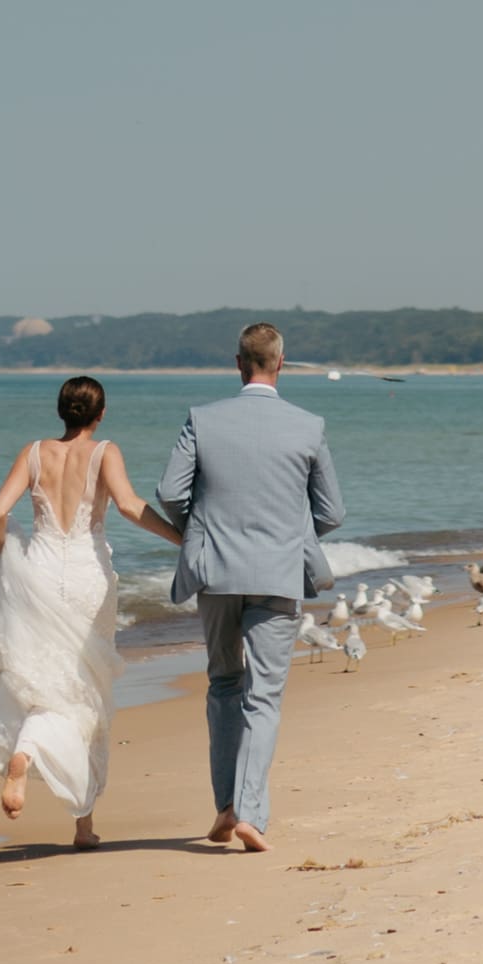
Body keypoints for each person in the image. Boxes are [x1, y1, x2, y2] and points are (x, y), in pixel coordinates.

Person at [0, 376, 181, 849]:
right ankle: (81, 819)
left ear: (61, 412)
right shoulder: (105, 453)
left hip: (37, 571)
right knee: (85, 687)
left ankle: (30, 753)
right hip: (86, 576)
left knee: (43, 680)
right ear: (100, 415)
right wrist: (182, 538)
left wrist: (4, 550)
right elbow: (127, 505)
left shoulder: (35, 452)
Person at [157, 323, 343, 853]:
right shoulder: (308, 426)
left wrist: (198, 527)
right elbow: (332, 511)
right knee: (264, 697)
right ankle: (251, 816)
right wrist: (290, 534)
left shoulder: (203, 419)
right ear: (280, 364)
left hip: (215, 571)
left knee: (223, 684)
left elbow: (170, 491)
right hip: (279, 572)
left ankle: (226, 808)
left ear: (238, 363)